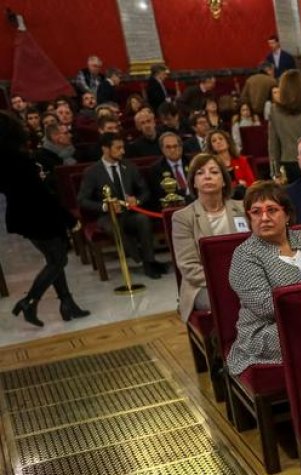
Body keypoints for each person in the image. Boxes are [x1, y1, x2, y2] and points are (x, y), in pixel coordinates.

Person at [226, 181, 301, 377]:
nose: (264, 218)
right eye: (256, 212)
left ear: (287, 215)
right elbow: (266, 306)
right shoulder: (244, 255)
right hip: (268, 330)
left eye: (272, 210)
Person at [1, 112, 90, 328]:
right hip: (40, 215)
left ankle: (67, 303)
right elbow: (42, 195)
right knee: (58, 260)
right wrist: (69, 219)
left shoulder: (4, 160)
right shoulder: (19, 159)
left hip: (23, 215)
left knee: (53, 258)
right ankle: (30, 301)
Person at [77, 132, 167, 279]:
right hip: (107, 216)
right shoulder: (92, 172)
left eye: (123, 147)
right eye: (118, 148)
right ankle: (140, 257)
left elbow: (145, 191)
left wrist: (137, 200)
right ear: (105, 149)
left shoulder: (129, 166)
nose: (123, 151)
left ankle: (149, 262)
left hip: (130, 213)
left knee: (143, 219)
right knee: (112, 226)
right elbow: (82, 200)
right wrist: (106, 206)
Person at [172, 154, 247, 321]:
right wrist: (227, 283)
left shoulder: (242, 209)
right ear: (193, 182)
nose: (207, 176)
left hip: (245, 279)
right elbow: (189, 267)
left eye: (214, 172)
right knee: (229, 300)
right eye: (200, 173)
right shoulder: (183, 217)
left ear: (224, 180)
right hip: (203, 285)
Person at [147, 132, 193, 209]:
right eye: (168, 147)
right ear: (162, 149)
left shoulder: (192, 162)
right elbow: (160, 195)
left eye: (175, 146)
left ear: (181, 147)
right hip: (173, 207)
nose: (172, 150)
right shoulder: (156, 169)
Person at [207, 128, 256, 193]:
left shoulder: (241, 160)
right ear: (212, 147)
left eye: (221, 139)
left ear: (228, 143)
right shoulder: (212, 164)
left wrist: (245, 185)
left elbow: (252, 183)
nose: (218, 142)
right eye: (214, 141)